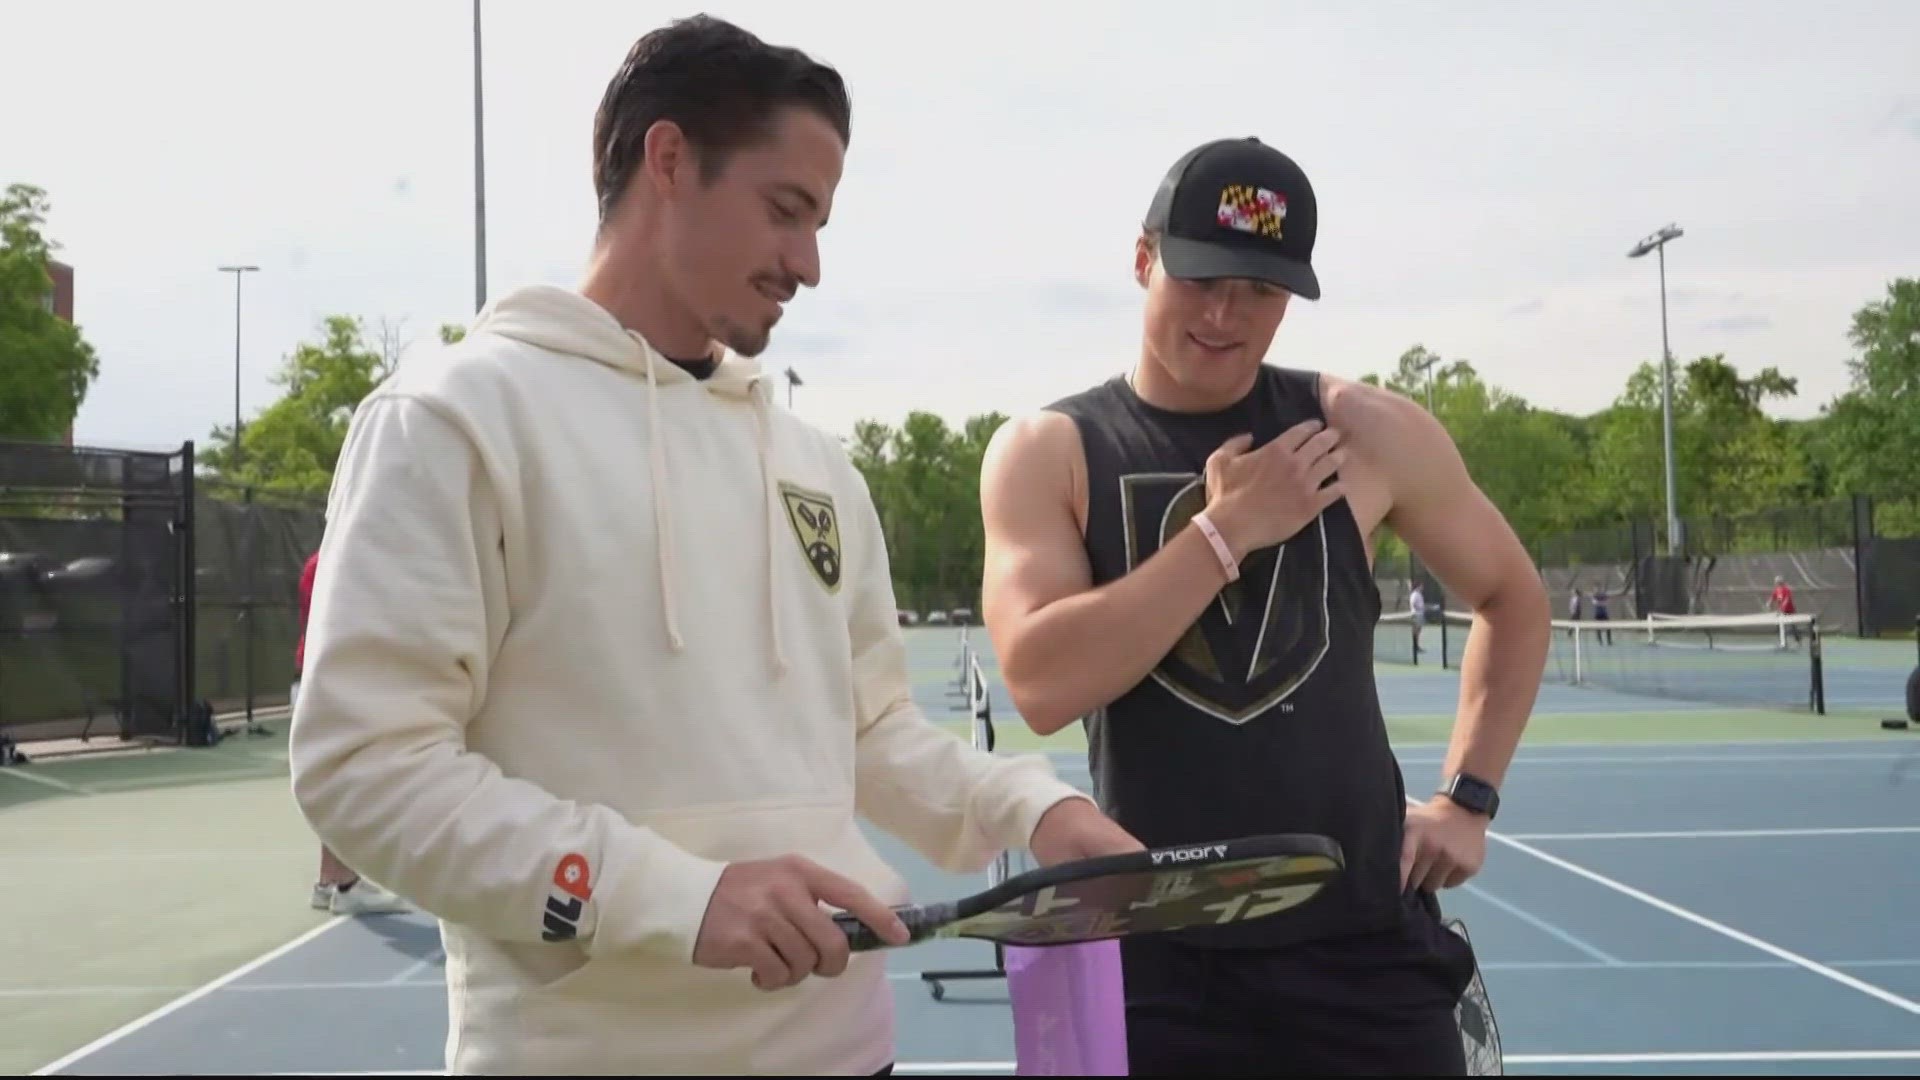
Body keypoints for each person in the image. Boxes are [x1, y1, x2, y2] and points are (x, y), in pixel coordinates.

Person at [287, 15, 1139, 1076]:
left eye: (821, 221)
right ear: (671, 159)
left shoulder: (814, 465)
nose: (810, 264)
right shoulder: (455, 418)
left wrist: (1033, 807)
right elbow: (364, 769)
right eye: (786, 211)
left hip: (845, 1049)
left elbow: (867, 732)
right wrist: (680, 901)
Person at [978, 135, 1551, 1074]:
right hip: (1160, 955)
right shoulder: (1053, 450)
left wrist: (1467, 800)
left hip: (1363, 943)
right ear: (1142, 259)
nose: (1224, 314)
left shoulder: (1362, 431)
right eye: (1200, 278)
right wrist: (1225, 535)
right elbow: (1042, 680)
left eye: (1259, 290)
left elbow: (1513, 597)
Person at [295, 548, 410, 917]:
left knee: (337, 784)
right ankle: (345, 884)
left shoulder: (325, 560)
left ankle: (331, 880)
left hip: (319, 678)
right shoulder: (341, 560)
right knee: (349, 785)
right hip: (332, 680)